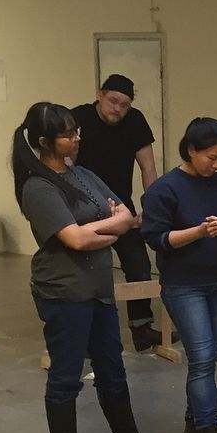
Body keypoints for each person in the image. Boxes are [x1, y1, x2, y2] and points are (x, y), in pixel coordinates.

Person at [13, 102, 174, 433]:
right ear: (44, 141)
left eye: (76, 132)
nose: (76, 139)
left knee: (112, 369)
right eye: (68, 134)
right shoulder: (38, 187)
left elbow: (128, 216)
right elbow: (76, 239)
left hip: (100, 288)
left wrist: (103, 228)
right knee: (67, 378)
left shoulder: (83, 174)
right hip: (64, 292)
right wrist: (107, 226)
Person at [141, 118, 217, 433]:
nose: (216, 164)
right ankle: (210, 431)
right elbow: (158, 239)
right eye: (211, 157)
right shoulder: (164, 189)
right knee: (201, 359)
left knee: (208, 358)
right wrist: (199, 232)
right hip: (183, 285)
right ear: (191, 150)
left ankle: (193, 426)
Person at [72, 75, 165, 352]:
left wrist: (152, 207)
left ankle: (142, 328)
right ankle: (85, 335)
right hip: (84, 209)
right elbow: (67, 165)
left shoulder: (135, 122)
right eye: (113, 101)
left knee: (138, 264)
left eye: (124, 105)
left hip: (122, 208)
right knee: (84, 270)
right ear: (100, 95)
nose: (118, 110)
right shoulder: (79, 118)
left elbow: (148, 168)